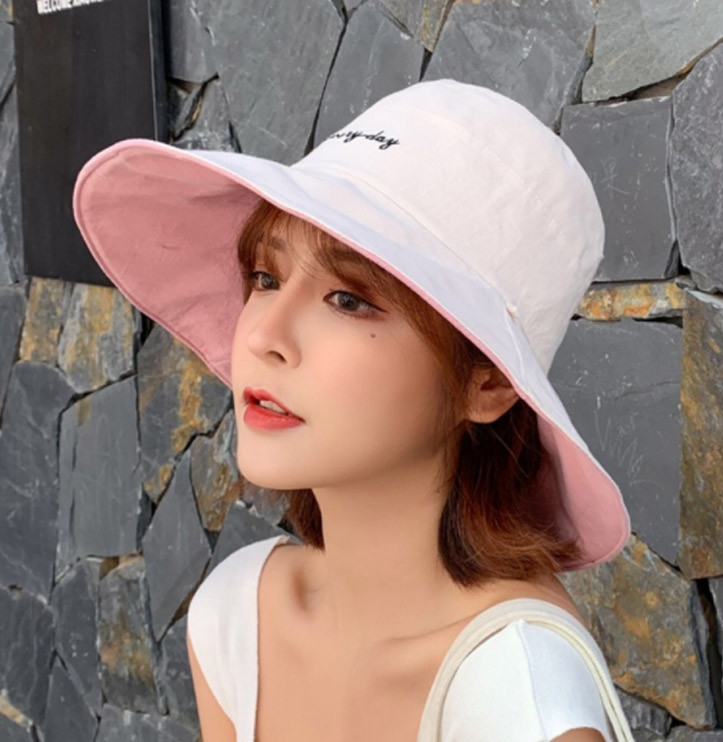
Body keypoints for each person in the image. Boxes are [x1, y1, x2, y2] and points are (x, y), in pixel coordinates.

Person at [73, 78, 632, 742]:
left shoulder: (518, 698)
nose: (262, 334)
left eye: (348, 299)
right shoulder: (238, 617)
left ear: (486, 385)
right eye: (265, 278)